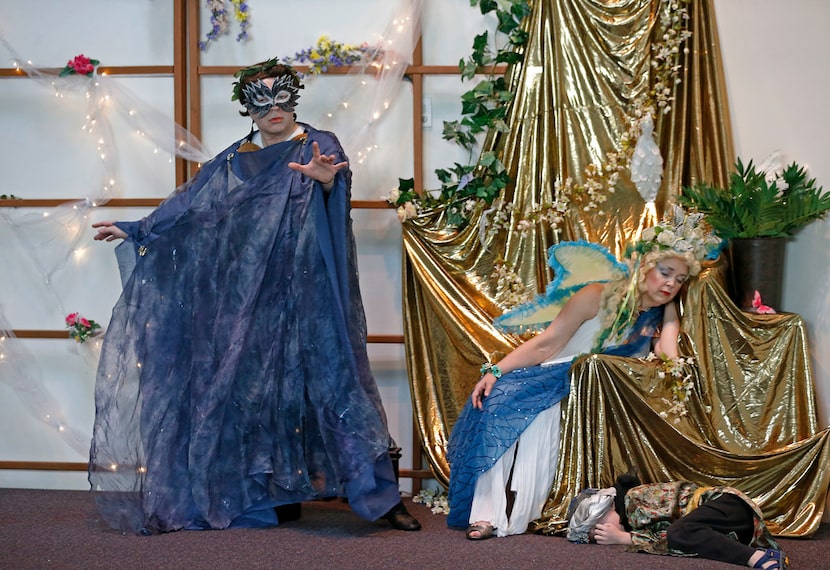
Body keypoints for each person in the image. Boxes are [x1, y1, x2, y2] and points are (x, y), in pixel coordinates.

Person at [89, 58, 420, 534]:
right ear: (247, 106)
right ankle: (279, 492)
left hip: (315, 297)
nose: (274, 109)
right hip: (256, 302)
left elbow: (334, 195)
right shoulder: (234, 160)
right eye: (261, 100)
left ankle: (382, 499)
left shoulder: (318, 145)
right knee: (261, 396)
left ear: (294, 97)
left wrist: (327, 182)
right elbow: (192, 208)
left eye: (282, 96)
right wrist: (138, 228)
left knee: (341, 388)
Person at [446, 210, 722, 539]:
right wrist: (495, 370)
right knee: (502, 405)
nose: (671, 284)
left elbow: (667, 354)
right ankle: (487, 515)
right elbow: (546, 344)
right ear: (645, 266)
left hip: (596, 396)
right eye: (665, 272)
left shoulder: (661, 311)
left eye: (679, 280)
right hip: (553, 378)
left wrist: (673, 329)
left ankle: (542, 508)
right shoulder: (596, 294)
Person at [566, 473, 789, 569]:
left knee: (678, 534)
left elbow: (669, 535)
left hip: (727, 505)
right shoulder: (631, 515)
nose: (603, 530)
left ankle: (758, 558)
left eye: (601, 523)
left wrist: (624, 537)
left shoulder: (633, 499)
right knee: (682, 536)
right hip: (725, 525)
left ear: (610, 507)